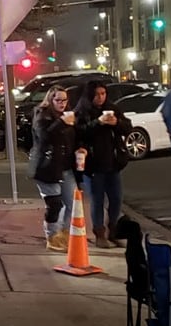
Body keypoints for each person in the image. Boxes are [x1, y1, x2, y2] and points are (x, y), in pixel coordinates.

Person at [74, 80, 133, 249]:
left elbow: (127, 127)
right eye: (97, 94)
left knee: (116, 199)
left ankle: (113, 231)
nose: (100, 97)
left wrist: (116, 123)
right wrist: (97, 122)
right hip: (93, 164)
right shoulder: (82, 111)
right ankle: (99, 234)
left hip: (113, 162)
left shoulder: (112, 108)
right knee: (97, 200)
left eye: (103, 94)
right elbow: (80, 132)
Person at [28, 85, 78, 252]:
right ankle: (52, 236)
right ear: (50, 100)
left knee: (72, 203)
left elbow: (73, 138)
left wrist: (80, 149)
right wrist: (62, 123)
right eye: (58, 100)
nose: (62, 103)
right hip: (47, 167)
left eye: (65, 100)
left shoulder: (68, 115)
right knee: (55, 204)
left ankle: (64, 235)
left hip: (65, 167)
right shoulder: (42, 115)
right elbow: (45, 137)